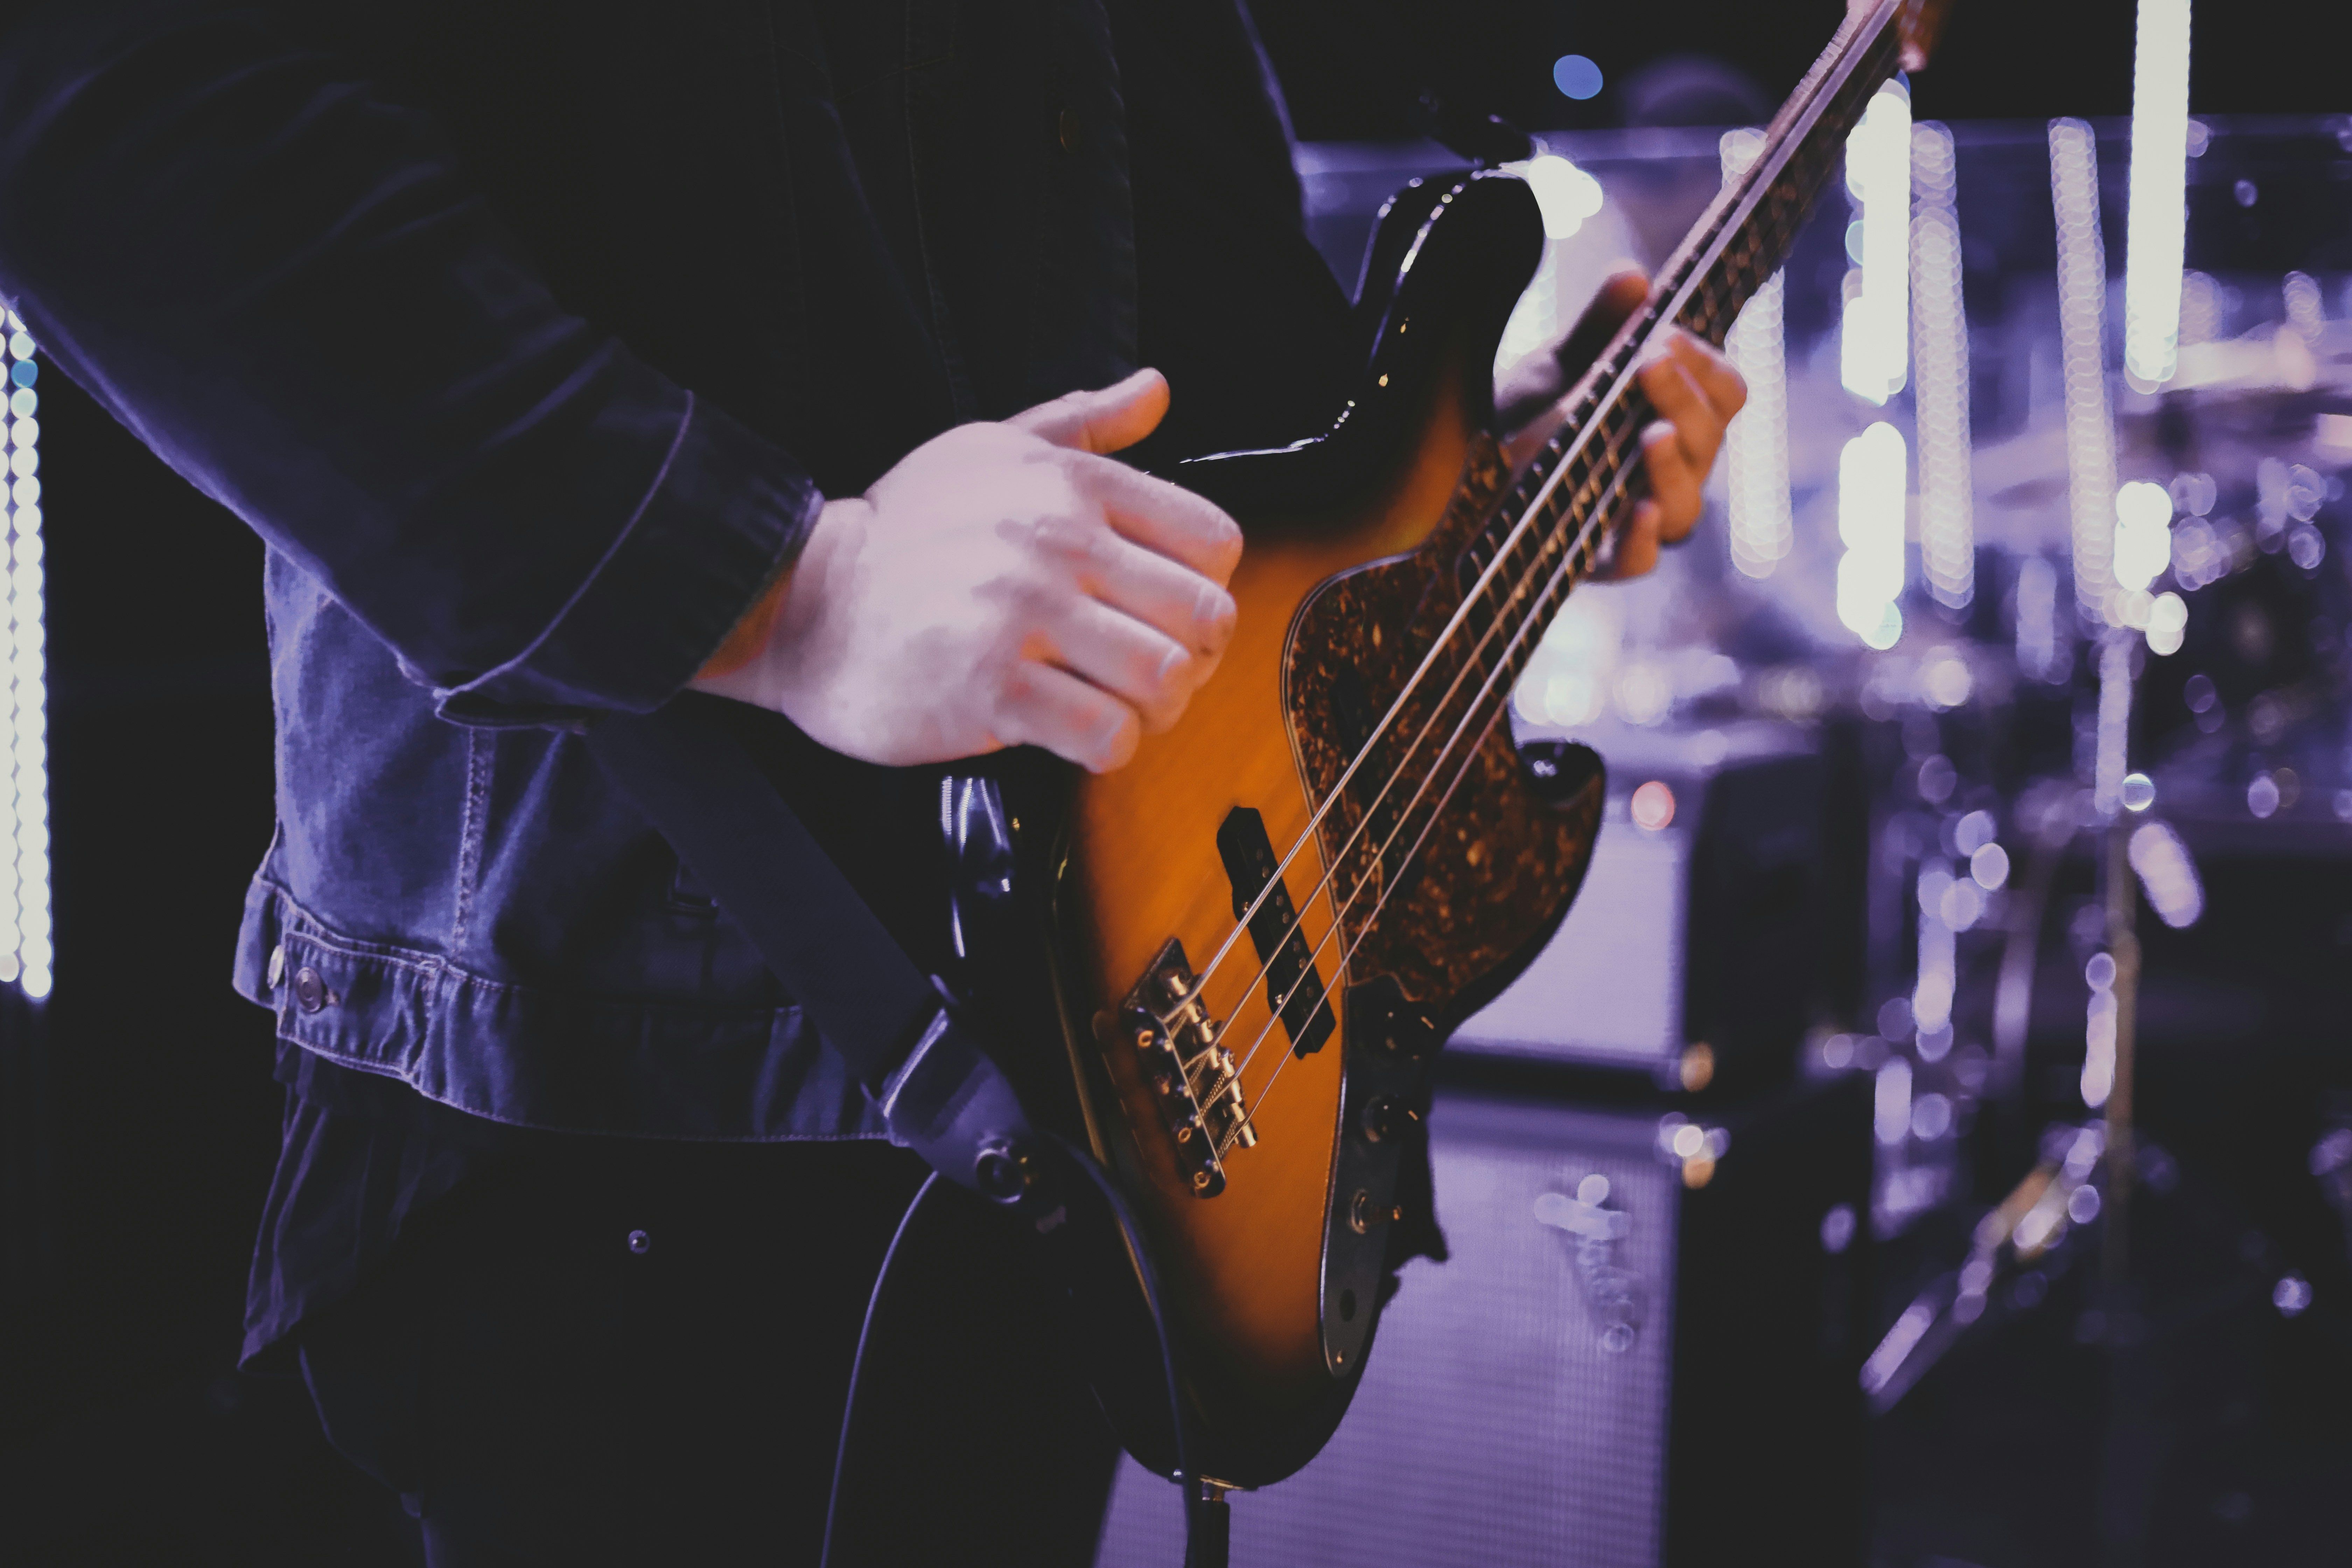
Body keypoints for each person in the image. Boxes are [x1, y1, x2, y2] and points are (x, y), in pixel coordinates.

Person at [0, 2, 1744, 1562]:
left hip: (1064, 1066)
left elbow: (1183, 306)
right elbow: (96, 99)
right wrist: (779, 588)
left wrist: (1457, 498)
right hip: (629, 1094)